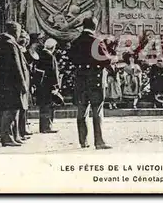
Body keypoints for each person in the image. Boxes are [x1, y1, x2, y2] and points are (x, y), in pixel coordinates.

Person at [69, 17, 112, 150]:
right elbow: (105, 60)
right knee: (97, 110)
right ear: (95, 26)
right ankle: (99, 141)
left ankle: (83, 141)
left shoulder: (75, 42)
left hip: (81, 79)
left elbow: (72, 59)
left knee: (82, 110)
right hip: (95, 79)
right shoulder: (96, 41)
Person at [0, 21, 28, 147]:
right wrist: (22, 83)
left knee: (14, 110)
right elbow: (16, 66)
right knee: (11, 110)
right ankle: (6, 136)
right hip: (11, 84)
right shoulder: (10, 44)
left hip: (4, 83)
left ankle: (14, 135)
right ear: (15, 31)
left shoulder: (3, 43)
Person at [34, 38, 60, 133]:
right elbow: (53, 73)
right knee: (49, 106)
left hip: (41, 86)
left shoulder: (40, 55)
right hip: (48, 86)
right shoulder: (50, 57)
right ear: (52, 47)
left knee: (43, 106)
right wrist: (55, 86)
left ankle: (43, 127)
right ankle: (47, 127)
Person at [17, 30, 32, 140]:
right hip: (21, 82)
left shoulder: (25, 50)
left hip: (26, 81)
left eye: (26, 38)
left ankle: (23, 129)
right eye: (22, 37)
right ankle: (21, 131)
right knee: (21, 107)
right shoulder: (18, 49)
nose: (24, 40)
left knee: (24, 106)